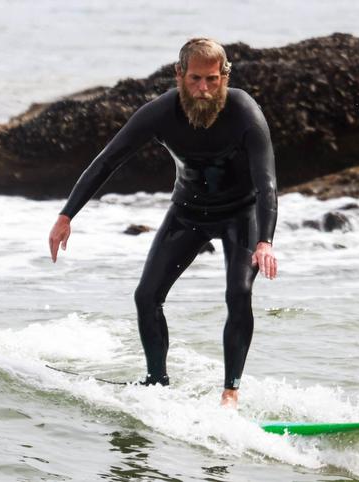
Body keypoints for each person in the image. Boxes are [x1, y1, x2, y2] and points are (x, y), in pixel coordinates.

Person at [48, 38, 278, 408]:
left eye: (212, 80)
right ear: (179, 75)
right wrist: (66, 215)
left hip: (241, 215)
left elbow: (266, 181)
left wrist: (265, 240)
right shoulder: (160, 113)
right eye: (195, 79)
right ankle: (157, 384)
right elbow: (108, 161)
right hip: (187, 213)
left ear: (225, 76)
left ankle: (230, 391)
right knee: (146, 296)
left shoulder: (243, 111)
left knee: (239, 293)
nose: (203, 89)